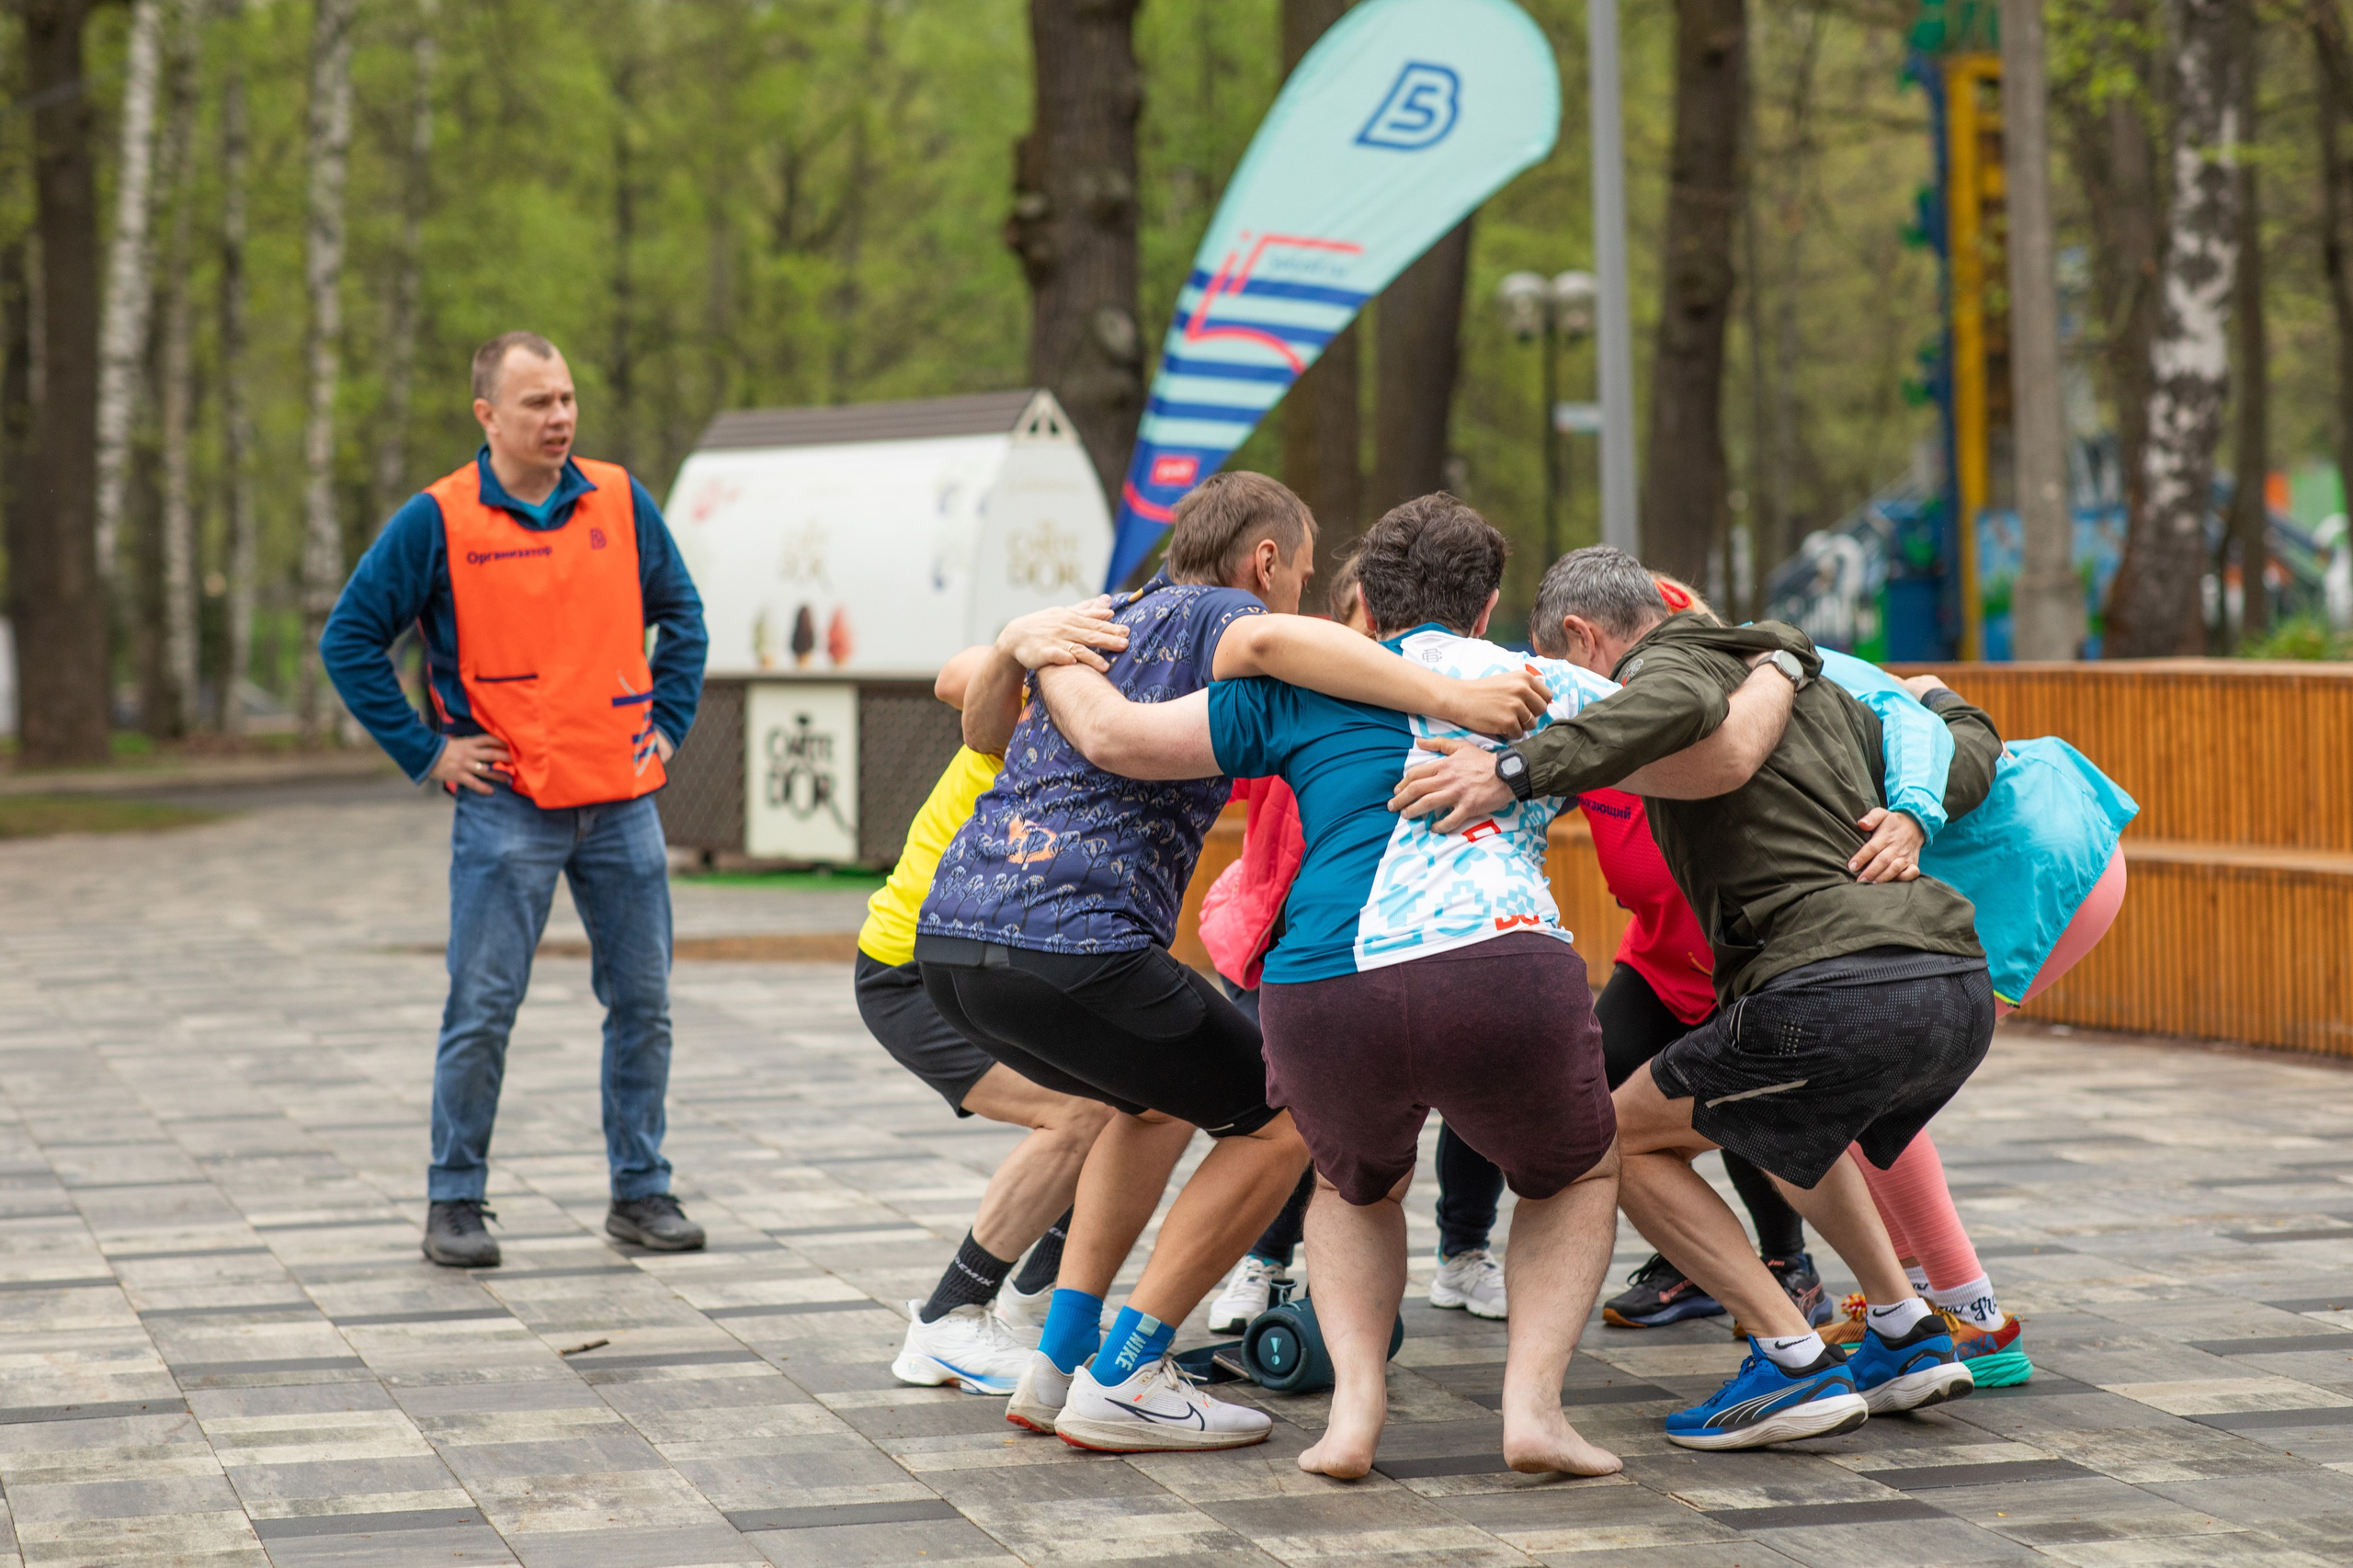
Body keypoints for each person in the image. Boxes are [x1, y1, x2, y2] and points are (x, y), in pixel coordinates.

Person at [1023, 494, 1810, 1478]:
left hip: (1320, 983)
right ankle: (1532, 1414)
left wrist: (1038, 643)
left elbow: (1116, 739)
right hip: (1494, 964)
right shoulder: (1543, 681)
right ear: (1484, 608)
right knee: (1575, 1173)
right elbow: (1726, 756)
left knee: (1356, 1190)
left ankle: (1352, 1418)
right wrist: (1782, 661)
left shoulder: (1300, 684)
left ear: (1366, 603)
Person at [914, 472, 1554, 1453]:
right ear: (1264, 562)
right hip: (1073, 940)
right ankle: (1129, 1372)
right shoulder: (1217, 612)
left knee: (1153, 1102)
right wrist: (1450, 693)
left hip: (956, 939)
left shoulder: (1099, 623)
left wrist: (1013, 642)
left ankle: (1057, 1364)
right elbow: (1260, 640)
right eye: (1298, 571)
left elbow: (979, 723)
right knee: (1284, 1117)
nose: (1300, 594)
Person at [1392, 545, 2002, 1449]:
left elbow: (1668, 704)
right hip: (1951, 982)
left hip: (1836, 984)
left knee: (1616, 1136)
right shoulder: (1814, 688)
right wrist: (1924, 776)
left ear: (1580, 636)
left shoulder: (1670, 666)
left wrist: (1508, 770)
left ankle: (1788, 1354)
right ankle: (1904, 1331)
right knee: (1790, 1126)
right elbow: (1966, 748)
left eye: (1564, 669)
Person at [322, 331, 708, 1268]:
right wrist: (429, 752)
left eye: (567, 398)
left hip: (621, 800)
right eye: (537, 402)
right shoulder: (438, 519)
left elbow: (683, 617)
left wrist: (666, 725)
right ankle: (454, 1201)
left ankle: (641, 1190)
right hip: (507, 808)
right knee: (483, 1005)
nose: (560, 416)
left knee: (645, 1001)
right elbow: (350, 639)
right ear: (487, 414)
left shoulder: (619, 497)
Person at [1201, 551, 1508, 1331]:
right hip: (1281, 943)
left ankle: (1464, 1249)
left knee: (1474, 1090)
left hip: (1399, 935)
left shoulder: (1436, 706)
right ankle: (1265, 1262)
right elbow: (1220, 767)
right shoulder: (1294, 696)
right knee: (1287, 1119)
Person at [856, 608, 1131, 1394]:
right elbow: (956, 677)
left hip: (989, 957)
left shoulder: (1098, 720)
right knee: (1077, 1115)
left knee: (1132, 1095)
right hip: (909, 968)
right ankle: (947, 1322)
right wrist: (1021, 646)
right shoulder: (1038, 702)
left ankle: (1040, 1295)